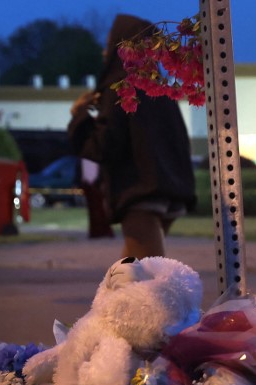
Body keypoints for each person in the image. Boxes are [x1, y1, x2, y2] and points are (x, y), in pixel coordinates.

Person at [68, 14, 196, 259]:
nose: (104, 52)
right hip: (171, 190)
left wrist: (79, 118)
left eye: (108, 44)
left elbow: (105, 145)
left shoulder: (120, 85)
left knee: (148, 279)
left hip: (139, 191)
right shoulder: (157, 86)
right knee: (130, 273)